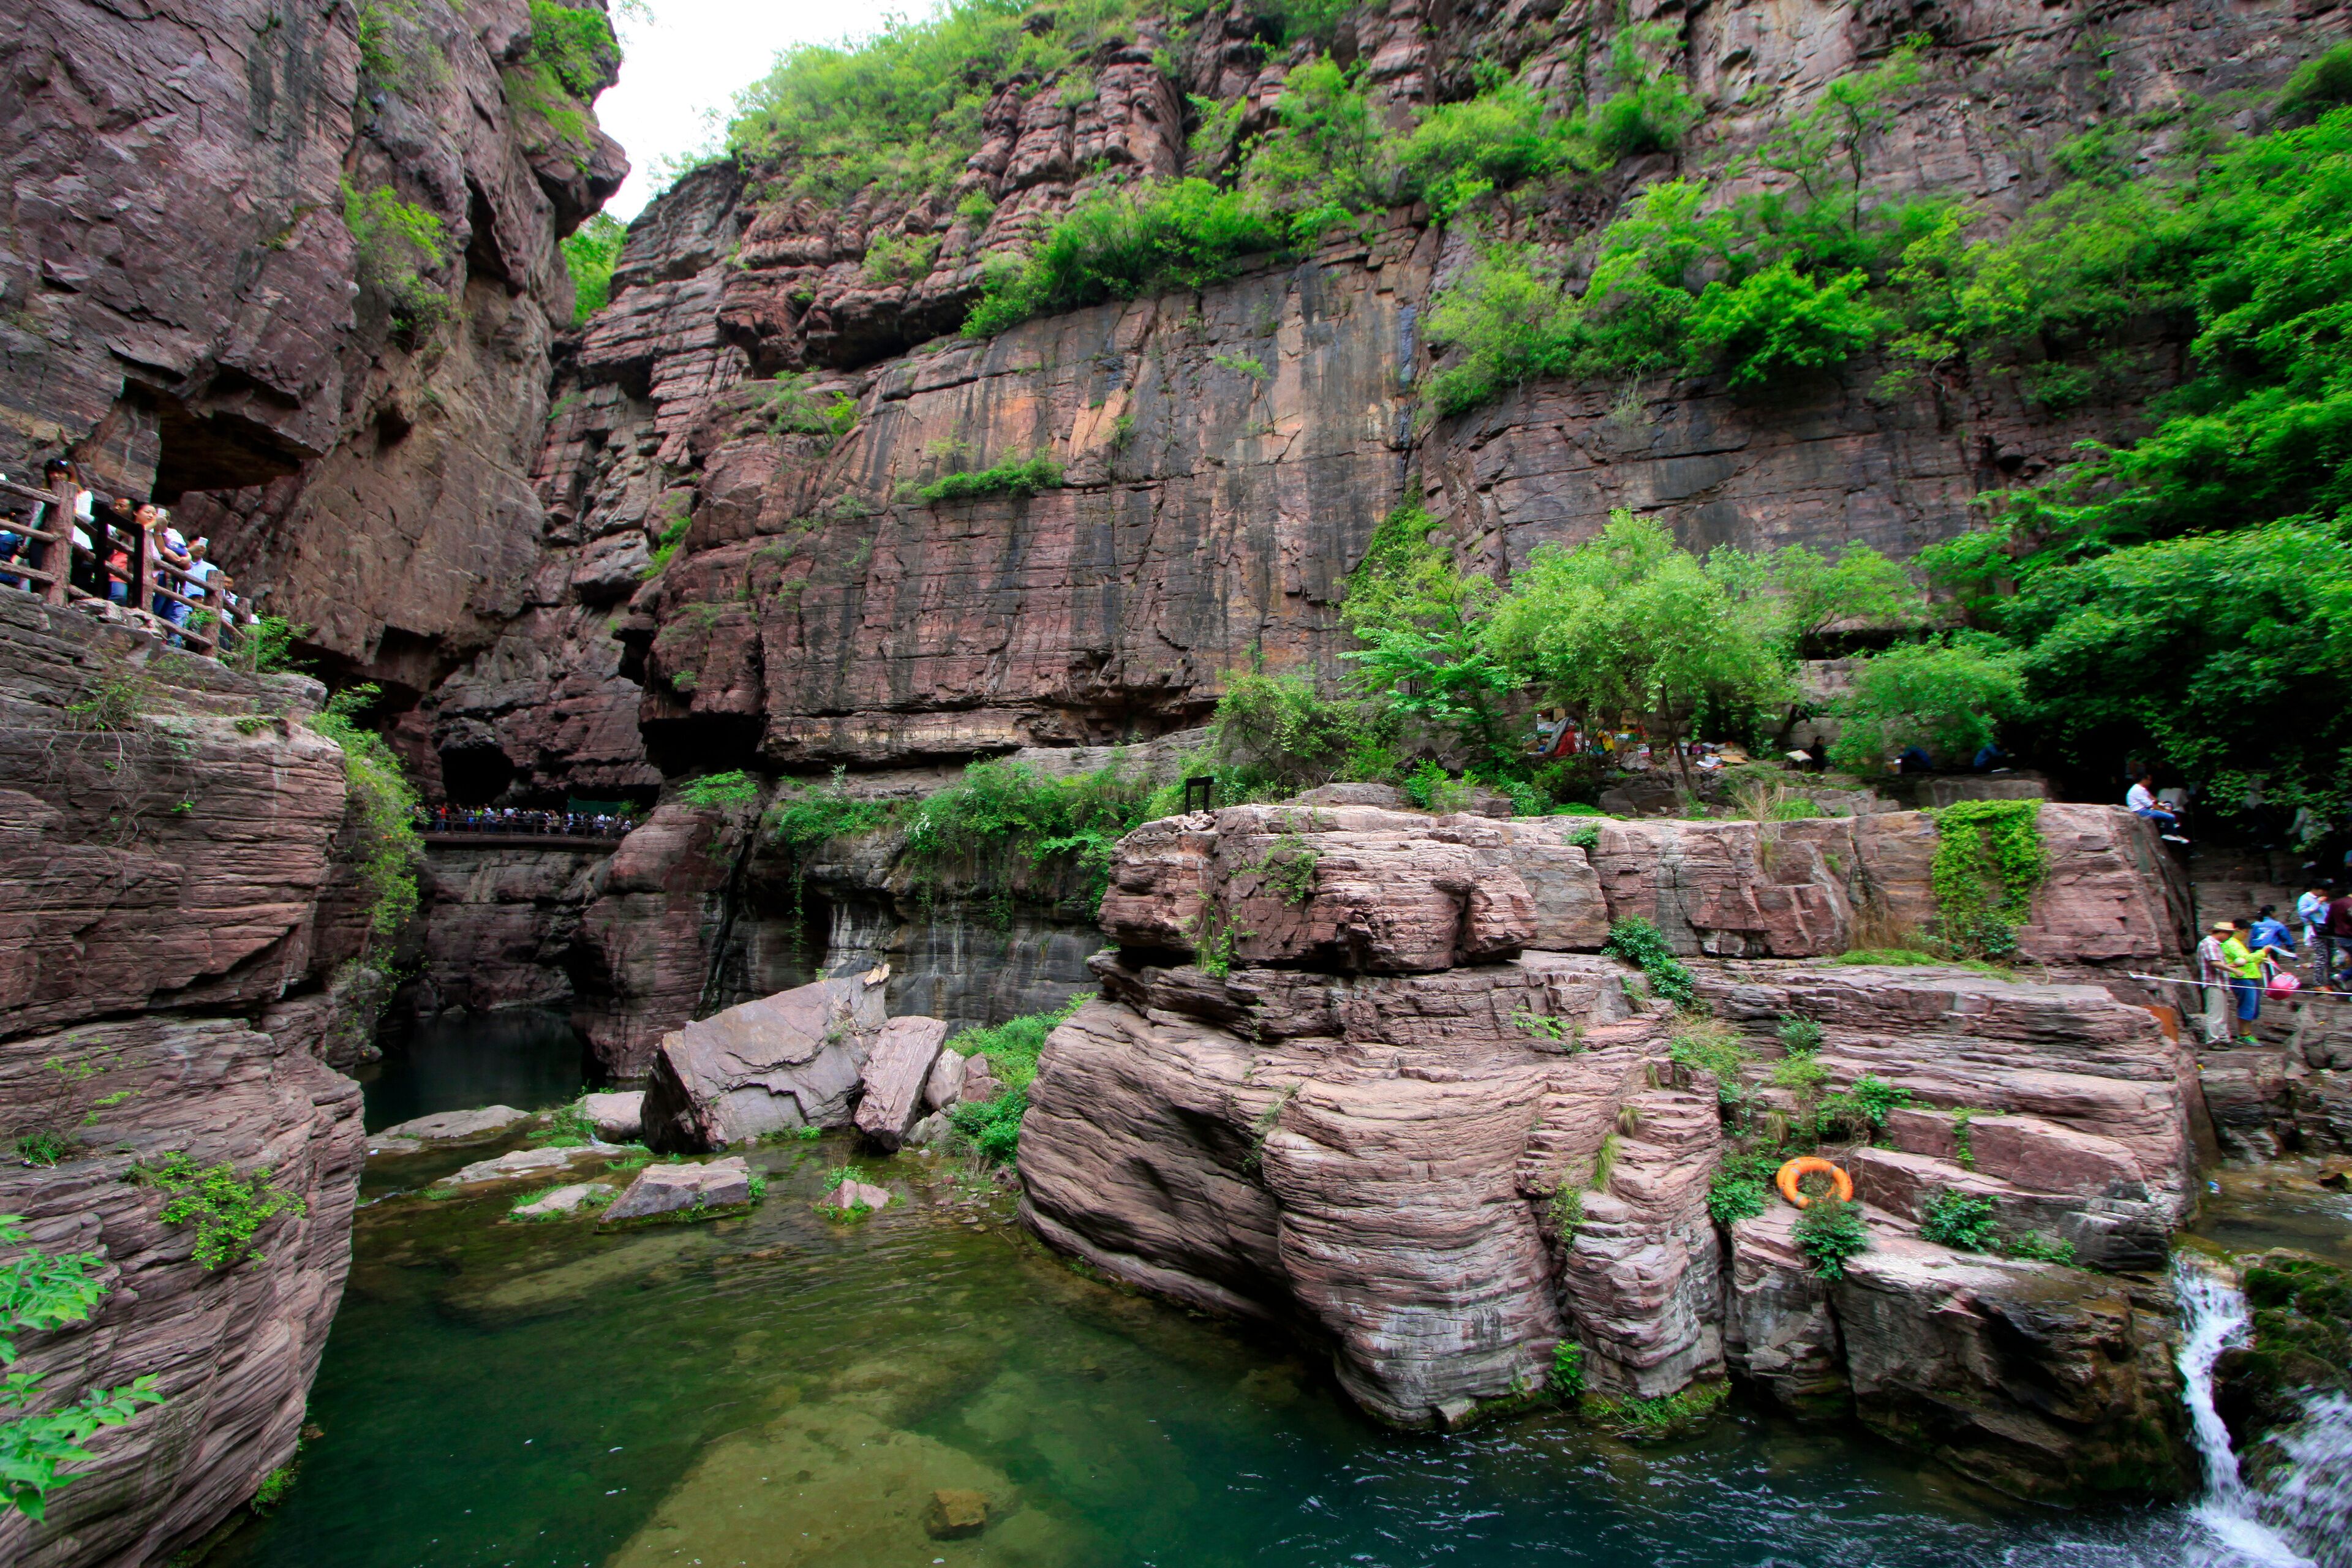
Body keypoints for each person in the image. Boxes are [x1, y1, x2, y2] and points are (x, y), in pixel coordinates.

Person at [2215, 921, 2267, 1042]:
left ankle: (2246, 1033)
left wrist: (2261, 959)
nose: (2246, 935)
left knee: (2253, 1006)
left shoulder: (2238, 943)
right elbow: (2246, 959)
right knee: (2247, 1005)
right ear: (2237, 930)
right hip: (2241, 978)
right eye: (2246, 931)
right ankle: (2244, 1034)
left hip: (2249, 977)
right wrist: (2264, 951)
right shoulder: (2231, 944)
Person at [2299, 883, 2331, 952]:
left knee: (2330, 951)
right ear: (2315, 889)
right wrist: (2318, 904)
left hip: (2326, 928)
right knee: (2321, 954)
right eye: (2323, 891)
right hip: (2315, 928)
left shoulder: (2321, 899)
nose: (2325, 893)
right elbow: (2303, 913)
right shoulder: (2305, 898)